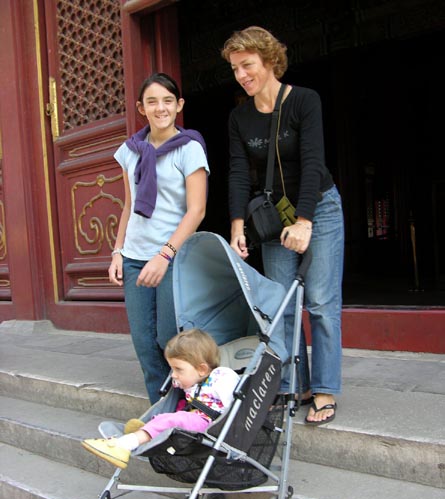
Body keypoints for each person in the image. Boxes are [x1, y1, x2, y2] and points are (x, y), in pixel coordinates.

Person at [221, 26, 344, 425]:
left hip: (319, 208)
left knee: (321, 303)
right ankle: (294, 385)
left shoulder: (304, 101)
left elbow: (312, 162)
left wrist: (305, 221)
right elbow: (239, 172)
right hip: (274, 218)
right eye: (235, 68)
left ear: (270, 60)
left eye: (247, 65)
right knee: (281, 306)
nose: (241, 75)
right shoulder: (239, 117)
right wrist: (237, 226)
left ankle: (324, 389)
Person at [109, 73, 209, 405]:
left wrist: (164, 255)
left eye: (167, 101)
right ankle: (162, 411)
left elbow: (196, 210)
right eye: (152, 102)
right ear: (141, 108)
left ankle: (191, 409)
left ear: (179, 105)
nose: (160, 108)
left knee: (170, 338)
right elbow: (129, 206)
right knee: (143, 342)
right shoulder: (129, 151)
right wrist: (118, 251)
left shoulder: (190, 149)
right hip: (135, 258)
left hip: (173, 258)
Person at [81, 329, 240, 469]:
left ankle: (123, 444)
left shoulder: (222, 377)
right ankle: (141, 433)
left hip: (210, 425)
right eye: (172, 369)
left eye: (178, 369)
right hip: (193, 420)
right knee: (165, 417)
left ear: (202, 369)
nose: (173, 375)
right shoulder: (194, 382)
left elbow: (234, 403)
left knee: (170, 420)